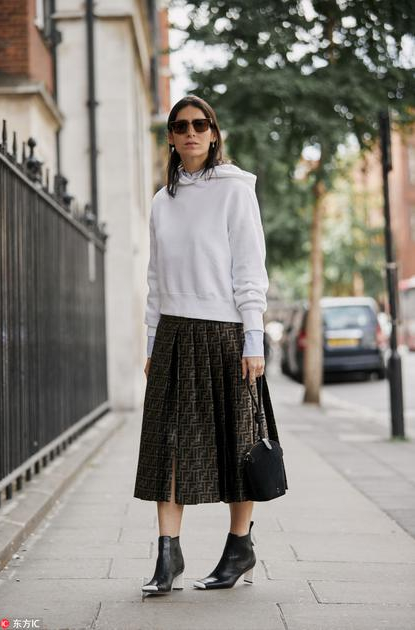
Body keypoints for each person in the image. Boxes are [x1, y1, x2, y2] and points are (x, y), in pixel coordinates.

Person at [133, 94, 281, 594]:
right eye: (181, 126)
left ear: (214, 133)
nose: (191, 133)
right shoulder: (162, 201)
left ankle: (240, 548)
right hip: (174, 333)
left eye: (200, 124)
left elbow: (250, 269)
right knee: (168, 445)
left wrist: (253, 338)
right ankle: (167, 557)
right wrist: (152, 341)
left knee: (237, 443)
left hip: (226, 334)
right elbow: (155, 279)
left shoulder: (235, 190)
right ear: (171, 138)